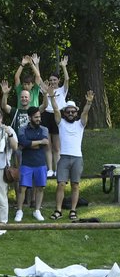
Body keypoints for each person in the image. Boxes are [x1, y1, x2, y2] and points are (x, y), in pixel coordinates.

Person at [46, 88, 92, 221]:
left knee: (75, 185)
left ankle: (73, 210)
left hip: (77, 158)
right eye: (68, 111)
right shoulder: (61, 124)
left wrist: (88, 103)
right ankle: (58, 210)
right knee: (60, 184)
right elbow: (55, 110)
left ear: (76, 112)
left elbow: (85, 112)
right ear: (65, 113)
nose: (71, 113)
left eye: (73, 111)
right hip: (64, 158)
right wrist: (52, 98)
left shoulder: (80, 124)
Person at [16, 107, 49, 222]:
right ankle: (19, 211)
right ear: (30, 118)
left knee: (40, 187)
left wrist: (29, 144)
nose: (38, 119)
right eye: (36, 117)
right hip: (26, 163)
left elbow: (46, 143)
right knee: (22, 188)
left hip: (40, 163)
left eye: (39, 117)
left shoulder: (44, 129)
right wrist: (38, 142)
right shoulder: (22, 129)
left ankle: (37, 210)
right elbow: (23, 143)